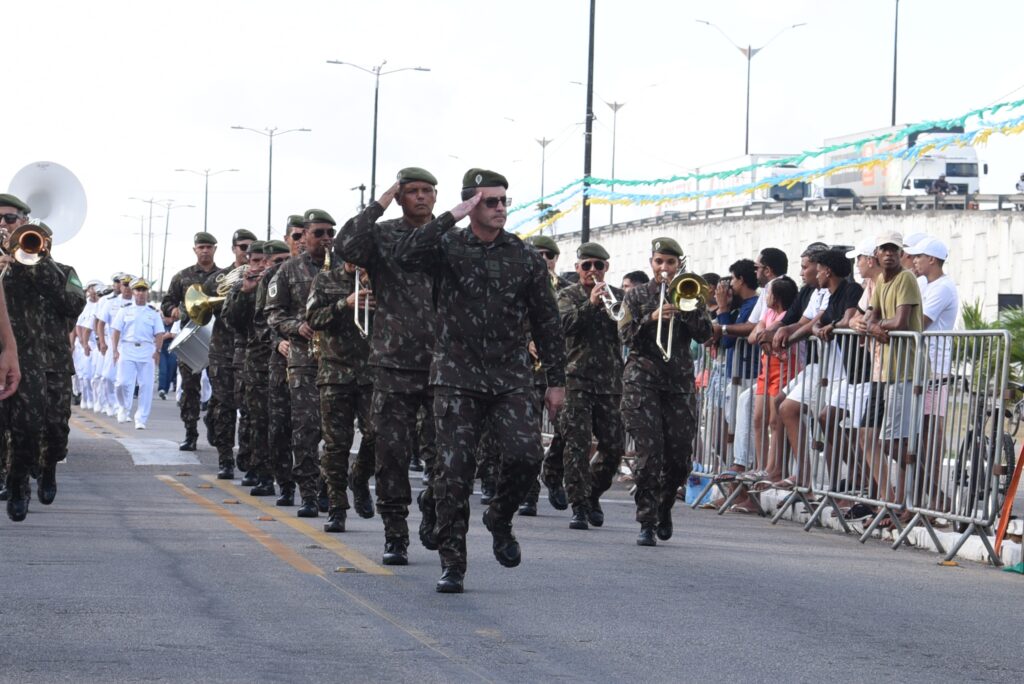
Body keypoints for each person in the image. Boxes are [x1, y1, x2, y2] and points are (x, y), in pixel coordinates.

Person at [394, 168, 567, 594]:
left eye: (505, 201)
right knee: (455, 471)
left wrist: (556, 381)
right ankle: (454, 562)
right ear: (472, 204)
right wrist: (450, 216)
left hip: (510, 375)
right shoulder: (447, 246)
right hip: (456, 374)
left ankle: (500, 518)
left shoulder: (523, 255)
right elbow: (405, 255)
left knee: (527, 455)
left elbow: (547, 321)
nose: (501, 208)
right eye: (491, 201)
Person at [335, 167, 441, 563]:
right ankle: (395, 533)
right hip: (393, 362)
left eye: (427, 190)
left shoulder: (449, 236)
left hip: (443, 365)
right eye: (411, 191)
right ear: (399, 196)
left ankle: (434, 507)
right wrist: (380, 200)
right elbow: (346, 245)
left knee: (444, 454)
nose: (420, 197)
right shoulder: (381, 236)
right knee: (392, 454)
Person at [619, 237, 713, 546]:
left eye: (670, 263)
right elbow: (624, 334)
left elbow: (705, 334)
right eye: (659, 262)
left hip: (678, 384)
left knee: (679, 458)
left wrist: (689, 309)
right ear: (652, 263)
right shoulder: (636, 296)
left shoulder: (691, 292)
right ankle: (646, 520)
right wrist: (651, 318)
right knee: (650, 453)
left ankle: (664, 504)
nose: (664, 268)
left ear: (679, 265)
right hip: (642, 381)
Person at [1, 213, 84, 520]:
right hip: (18, 362)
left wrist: (38, 262)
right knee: (24, 428)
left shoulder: (63, 272)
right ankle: (18, 482)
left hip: (55, 363)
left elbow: (73, 305)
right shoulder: (5, 272)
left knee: (56, 429)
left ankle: (49, 467)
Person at [267, 210, 334, 517]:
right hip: (303, 359)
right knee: (305, 428)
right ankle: (307, 492)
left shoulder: (344, 268)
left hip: (339, 359)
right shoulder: (288, 270)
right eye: (318, 233)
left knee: (335, 431)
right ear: (304, 235)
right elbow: (274, 314)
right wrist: (297, 326)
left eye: (329, 233)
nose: (325, 239)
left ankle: (327, 488)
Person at [854, 231, 923, 527]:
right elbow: (872, 315)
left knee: (896, 443)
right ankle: (889, 499)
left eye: (894, 249)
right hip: (883, 371)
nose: (889, 254)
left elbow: (900, 322)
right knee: (867, 435)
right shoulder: (880, 280)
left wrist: (873, 326)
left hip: (904, 370)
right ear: (877, 254)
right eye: (884, 249)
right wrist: (864, 323)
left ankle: (910, 500)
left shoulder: (906, 278)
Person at [557, 242, 625, 530]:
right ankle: (580, 505)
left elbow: (628, 328)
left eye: (599, 265)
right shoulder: (567, 296)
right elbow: (563, 326)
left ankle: (593, 493)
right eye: (587, 266)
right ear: (578, 268)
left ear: (606, 268)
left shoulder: (620, 297)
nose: (593, 271)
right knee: (577, 445)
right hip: (576, 381)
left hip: (610, 382)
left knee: (613, 447)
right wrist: (590, 305)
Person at [306, 257, 377, 532]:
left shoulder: (377, 277)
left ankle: (359, 477)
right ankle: (337, 508)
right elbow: (312, 318)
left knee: (376, 433)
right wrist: (343, 304)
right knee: (336, 445)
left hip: (371, 372)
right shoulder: (325, 279)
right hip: (335, 373)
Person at [907, 236, 958, 512]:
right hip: (921, 367)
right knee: (921, 429)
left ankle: (936, 493)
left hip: (935, 369)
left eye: (919, 257)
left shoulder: (944, 287)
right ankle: (928, 491)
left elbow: (919, 322)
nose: (915, 261)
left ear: (933, 260)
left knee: (931, 428)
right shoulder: (925, 284)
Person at [203, 229, 256, 480]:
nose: (246, 252)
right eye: (242, 246)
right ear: (233, 248)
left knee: (247, 408)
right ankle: (225, 459)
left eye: (251, 247)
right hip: (222, 351)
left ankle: (245, 456)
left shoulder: (262, 277)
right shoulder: (217, 279)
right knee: (225, 407)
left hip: (248, 351)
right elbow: (201, 313)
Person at [161, 232, 220, 451]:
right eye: (201, 247)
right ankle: (190, 433)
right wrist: (173, 309)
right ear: (194, 249)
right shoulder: (182, 276)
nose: (205, 250)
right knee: (189, 388)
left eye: (209, 247)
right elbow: (167, 302)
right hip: (190, 337)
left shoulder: (222, 276)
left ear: (215, 249)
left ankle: (214, 421)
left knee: (221, 390)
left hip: (217, 339)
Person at [110, 278, 164, 429]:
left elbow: (159, 333)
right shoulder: (125, 310)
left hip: (147, 350)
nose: (140, 293)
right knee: (122, 383)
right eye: (138, 290)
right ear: (133, 292)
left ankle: (141, 418)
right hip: (127, 348)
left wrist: (157, 351)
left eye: (143, 290)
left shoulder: (153, 312)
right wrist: (115, 350)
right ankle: (123, 408)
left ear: (147, 292)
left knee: (146, 386)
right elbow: (116, 331)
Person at [157, 314, 177, 399]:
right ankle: (161, 389)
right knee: (163, 369)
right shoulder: (160, 324)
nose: (168, 320)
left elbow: (175, 335)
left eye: (169, 318)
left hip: (172, 349)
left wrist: (168, 335)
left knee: (170, 371)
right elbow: (157, 337)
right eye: (166, 317)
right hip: (162, 349)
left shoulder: (175, 324)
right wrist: (166, 336)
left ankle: (165, 390)